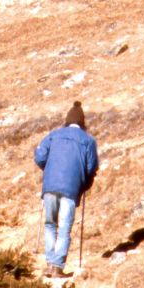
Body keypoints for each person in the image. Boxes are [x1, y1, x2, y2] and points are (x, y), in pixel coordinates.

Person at [33, 101, 99, 277]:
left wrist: (48, 168)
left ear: (67, 120)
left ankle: (49, 263)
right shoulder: (88, 141)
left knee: (50, 224)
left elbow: (40, 157)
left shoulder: (53, 135)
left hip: (49, 187)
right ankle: (57, 266)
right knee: (64, 227)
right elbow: (91, 167)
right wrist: (83, 182)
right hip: (71, 188)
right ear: (82, 122)